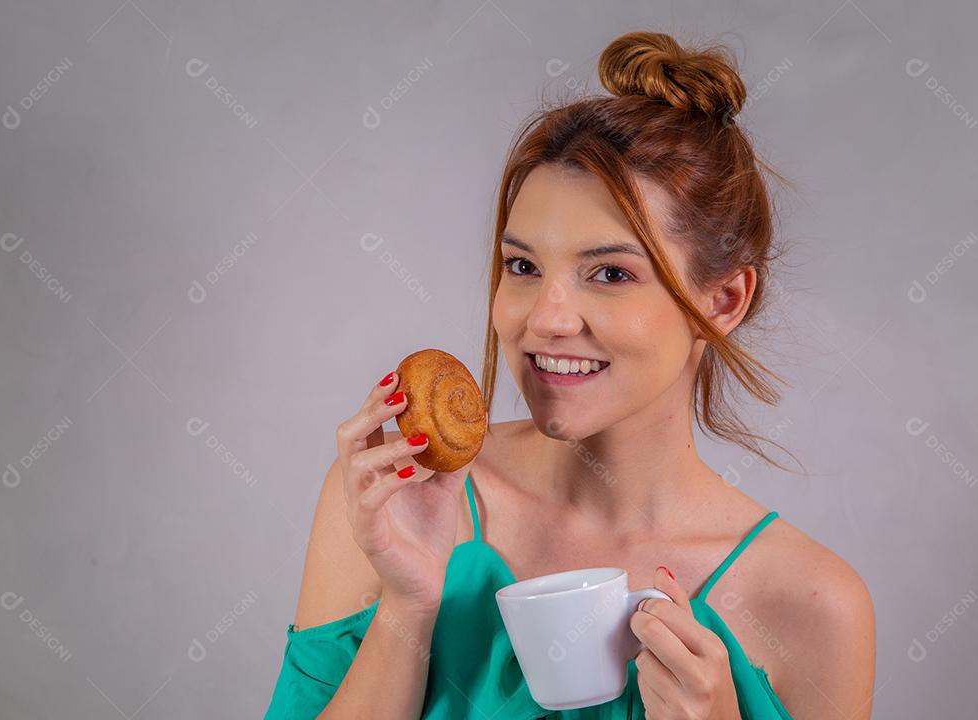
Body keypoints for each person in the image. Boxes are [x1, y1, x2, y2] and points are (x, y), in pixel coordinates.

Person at [264, 29, 876, 719]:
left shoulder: (815, 607)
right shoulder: (397, 498)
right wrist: (407, 607)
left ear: (722, 302)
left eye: (610, 273)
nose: (546, 319)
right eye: (523, 267)